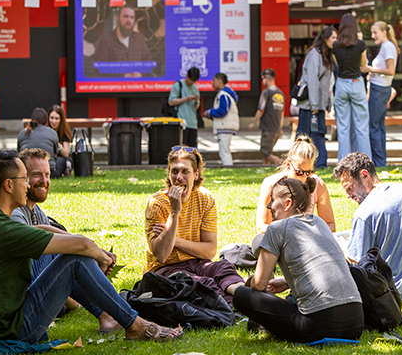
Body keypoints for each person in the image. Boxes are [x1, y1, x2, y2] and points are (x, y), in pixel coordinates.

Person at [0, 150, 182, 344]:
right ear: (9, 185)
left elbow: (42, 232)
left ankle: (109, 315)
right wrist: (101, 257)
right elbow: (81, 245)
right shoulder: (4, 229)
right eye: (24, 179)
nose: (28, 185)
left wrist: (89, 248)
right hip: (11, 331)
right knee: (76, 259)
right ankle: (134, 325)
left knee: (70, 253)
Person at [234, 177, 364, 343]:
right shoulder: (320, 223)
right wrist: (287, 282)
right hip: (356, 323)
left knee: (241, 295)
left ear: (287, 203)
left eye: (273, 200)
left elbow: (259, 284)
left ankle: (265, 325)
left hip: (317, 327)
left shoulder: (277, 228)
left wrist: (250, 284)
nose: (269, 206)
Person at [10, 148, 115, 328]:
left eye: (48, 174)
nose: (44, 181)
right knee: (67, 253)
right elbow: (35, 235)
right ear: (22, 179)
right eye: (37, 175)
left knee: (70, 255)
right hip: (23, 307)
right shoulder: (15, 212)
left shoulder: (36, 211)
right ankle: (106, 314)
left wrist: (91, 248)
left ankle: (106, 311)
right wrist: (87, 248)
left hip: (36, 293)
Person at [333, 152, 402, 300]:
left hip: (393, 292)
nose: (348, 195)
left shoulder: (364, 213)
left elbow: (356, 264)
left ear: (365, 175)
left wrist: (341, 249)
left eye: (349, 187)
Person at [144, 146, 245, 305]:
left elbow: (209, 251)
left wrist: (174, 240)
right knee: (202, 283)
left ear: (196, 174)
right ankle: (233, 308)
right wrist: (175, 211)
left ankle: (247, 296)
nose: (179, 177)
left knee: (223, 269)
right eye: (174, 171)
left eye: (185, 171)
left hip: (198, 262)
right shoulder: (157, 203)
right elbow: (161, 256)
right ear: (169, 174)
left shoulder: (205, 198)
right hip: (166, 270)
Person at [256, 135, 335, 234]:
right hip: (279, 239)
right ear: (289, 165)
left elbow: (330, 225)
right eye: (299, 172)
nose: (304, 178)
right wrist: (291, 232)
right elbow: (261, 227)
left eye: (309, 172)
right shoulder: (271, 184)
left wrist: (308, 233)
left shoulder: (318, 185)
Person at [296, 26, 337, 169]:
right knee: (304, 136)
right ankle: (299, 164)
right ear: (325, 38)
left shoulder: (327, 55)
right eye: (333, 37)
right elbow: (312, 80)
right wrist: (314, 105)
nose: (335, 40)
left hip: (317, 105)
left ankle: (320, 163)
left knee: (318, 133)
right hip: (310, 105)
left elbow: (328, 83)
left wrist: (327, 104)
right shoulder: (315, 54)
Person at [332, 14, 371, 161]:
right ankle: (365, 161)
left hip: (341, 83)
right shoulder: (360, 44)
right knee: (361, 126)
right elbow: (362, 64)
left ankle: (344, 162)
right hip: (356, 82)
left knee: (343, 127)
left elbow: (337, 65)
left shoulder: (335, 45)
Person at [361, 21, 400, 167]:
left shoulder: (387, 46)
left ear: (384, 32)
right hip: (380, 88)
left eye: (375, 32)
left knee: (374, 127)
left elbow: (391, 71)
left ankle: (378, 162)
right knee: (379, 127)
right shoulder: (386, 46)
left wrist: (370, 69)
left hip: (379, 90)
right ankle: (381, 160)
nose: (373, 36)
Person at [94, 5, 151, 77]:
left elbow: (148, 64)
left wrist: (141, 74)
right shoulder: (106, 41)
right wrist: (122, 76)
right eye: (125, 16)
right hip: (116, 87)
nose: (129, 20)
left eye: (132, 17)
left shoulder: (140, 39)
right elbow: (99, 69)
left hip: (137, 86)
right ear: (118, 18)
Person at [249, 69, 285, 165]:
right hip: (276, 128)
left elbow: (261, 110)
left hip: (268, 128)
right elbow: (282, 114)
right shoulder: (280, 93)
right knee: (267, 153)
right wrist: (280, 128)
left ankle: (284, 166)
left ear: (266, 78)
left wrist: (253, 122)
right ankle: (265, 169)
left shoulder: (266, 93)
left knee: (266, 152)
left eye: (262, 79)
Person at [204, 73, 239, 167]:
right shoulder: (228, 93)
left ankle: (228, 168)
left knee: (224, 151)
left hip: (224, 127)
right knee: (225, 150)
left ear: (220, 81)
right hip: (226, 126)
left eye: (214, 81)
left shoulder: (223, 94)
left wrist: (210, 112)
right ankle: (228, 167)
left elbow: (223, 111)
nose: (212, 83)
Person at [17, 108, 63, 179]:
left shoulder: (22, 133)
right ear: (46, 120)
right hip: (48, 170)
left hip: (27, 170)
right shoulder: (52, 133)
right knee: (61, 161)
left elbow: (19, 152)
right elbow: (55, 153)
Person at [168, 67, 201, 148]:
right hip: (181, 122)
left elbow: (195, 108)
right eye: (191, 80)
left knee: (192, 150)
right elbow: (171, 102)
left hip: (193, 123)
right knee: (181, 148)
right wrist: (186, 99)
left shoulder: (195, 88)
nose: (191, 83)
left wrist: (196, 100)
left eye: (194, 81)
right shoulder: (178, 85)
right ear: (186, 75)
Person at [47, 105, 72, 178]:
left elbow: (66, 153)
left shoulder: (64, 130)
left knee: (68, 160)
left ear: (61, 119)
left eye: (57, 118)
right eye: (51, 118)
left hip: (59, 158)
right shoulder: (45, 130)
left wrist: (57, 144)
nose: (53, 121)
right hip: (48, 158)